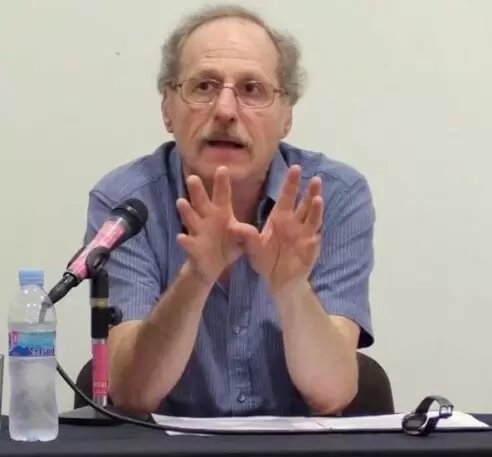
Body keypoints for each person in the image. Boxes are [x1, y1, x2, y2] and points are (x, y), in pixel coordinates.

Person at [84, 3, 376, 417]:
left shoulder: (332, 196)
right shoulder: (126, 204)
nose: (224, 110)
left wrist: (291, 288)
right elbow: (132, 395)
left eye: (252, 89)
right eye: (203, 86)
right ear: (167, 108)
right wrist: (196, 278)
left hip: (298, 449)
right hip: (166, 447)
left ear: (286, 116)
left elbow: (332, 393)